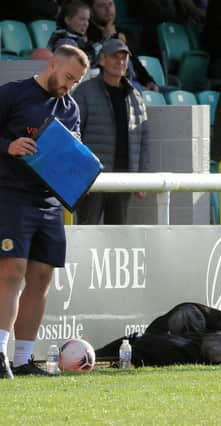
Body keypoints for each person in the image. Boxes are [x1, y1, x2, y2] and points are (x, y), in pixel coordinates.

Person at [0, 45, 89, 379]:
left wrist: (77, 155)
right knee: (11, 271)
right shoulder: (13, 94)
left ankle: (22, 359)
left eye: (76, 81)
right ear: (52, 65)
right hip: (11, 195)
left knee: (41, 278)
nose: (69, 86)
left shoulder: (71, 108)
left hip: (50, 202)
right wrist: (7, 147)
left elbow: (70, 157)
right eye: (67, 77)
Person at [73, 39, 149, 225]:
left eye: (124, 58)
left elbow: (144, 139)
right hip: (93, 179)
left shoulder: (135, 96)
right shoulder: (85, 92)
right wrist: (79, 175)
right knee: (87, 232)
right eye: (115, 57)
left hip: (124, 179)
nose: (120, 62)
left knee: (117, 236)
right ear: (102, 60)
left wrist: (143, 178)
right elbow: (73, 134)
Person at [86, 0, 158, 92]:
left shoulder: (122, 33)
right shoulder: (88, 34)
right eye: (102, 6)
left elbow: (134, 61)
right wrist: (105, 38)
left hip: (136, 84)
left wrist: (148, 81)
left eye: (110, 4)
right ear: (91, 12)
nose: (108, 9)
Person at [48, 0, 100, 65]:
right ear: (68, 20)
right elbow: (81, 62)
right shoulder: (64, 39)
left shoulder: (79, 38)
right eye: (82, 19)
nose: (86, 24)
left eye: (87, 20)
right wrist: (99, 47)